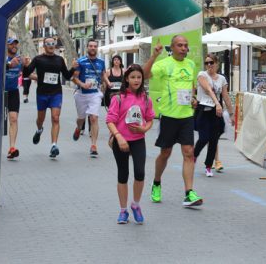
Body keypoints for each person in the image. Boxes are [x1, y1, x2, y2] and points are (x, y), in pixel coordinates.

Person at [142, 35, 203, 207]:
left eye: (185, 45)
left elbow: (191, 87)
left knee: (189, 152)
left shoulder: (191, 64)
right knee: (165, 153)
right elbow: (145, 75)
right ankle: (156, 182)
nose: (184, 48)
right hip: (169, 116)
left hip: (186, 116)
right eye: (180, 45)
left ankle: (189, 193)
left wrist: (193, 99)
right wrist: (154, 56)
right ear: (172, 48)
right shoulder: (164, 64)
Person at [106, 64, 155, 224]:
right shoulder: (118, 98)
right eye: (133, 77)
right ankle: (123, 210)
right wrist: (119, 137)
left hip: (138, 141)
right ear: (126, 79)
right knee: (123, 174)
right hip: (121, 141)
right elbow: (110, 121)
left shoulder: (146, 99)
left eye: (139, 77)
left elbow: (149, 119)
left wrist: (144, 129)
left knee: (140, 173)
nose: (136, 80)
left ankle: (136, 204)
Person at [22, 37, 76, 158]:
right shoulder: (38, 59)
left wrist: (73, 68)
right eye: (48, 44)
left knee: (55, 118)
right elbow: (26, 74)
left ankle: (54, 145)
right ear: (44, 46)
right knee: (40, 119)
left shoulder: (59, 60)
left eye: (53, 43)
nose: (51, 45)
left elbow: (67, 76)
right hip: (42, 93)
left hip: (56, 93)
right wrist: (25, 66)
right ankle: (39, 130)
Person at [193, 54, 233, 177]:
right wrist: (217, 103)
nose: (209, 65)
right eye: (207, 63)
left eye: (211, 62)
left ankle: (209, 166)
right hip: (203, 111)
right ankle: (193, 156)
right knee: (204, 138)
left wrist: (232, 114)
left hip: (216, 112)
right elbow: (207, 90)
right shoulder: (202, 75)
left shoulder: (222, 79)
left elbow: (225, 96)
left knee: (214, 140)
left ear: (217, 63)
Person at [72, 39, 107, 157]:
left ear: (97, 48)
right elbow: (74, 78)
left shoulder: (101, 62)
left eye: (95, 46)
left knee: (94, 118)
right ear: (87, 48)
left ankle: (93, 145)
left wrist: (106, 83)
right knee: (81, 118)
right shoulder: (80, 62)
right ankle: (78, 128)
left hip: (95, 93)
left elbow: (103, 75)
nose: (93, 48)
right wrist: (82, 85)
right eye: (91, 46)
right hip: (81, 93)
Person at [5, 38, 23, 159]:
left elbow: (25, 73)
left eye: (15, 44)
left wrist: (40, 78)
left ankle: (12, 147)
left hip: (13, 91)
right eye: (11, 44)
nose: (14, 46)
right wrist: (9, 65)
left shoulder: (20, 60)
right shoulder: (1, 57)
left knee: (13, 118)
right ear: (6, 45)